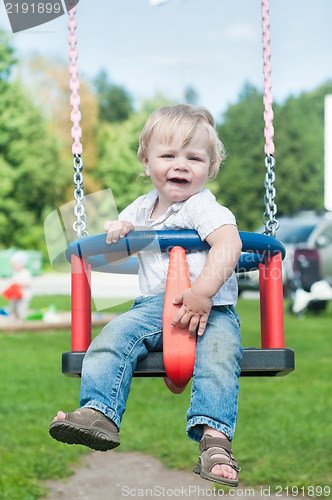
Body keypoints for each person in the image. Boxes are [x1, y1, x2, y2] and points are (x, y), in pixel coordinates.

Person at [49, 104, 243, 487]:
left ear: (211, 166)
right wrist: (119, 227)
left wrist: (202, 293)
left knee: (220, 358)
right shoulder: (140, 207)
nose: (181, 165)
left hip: (211, 308)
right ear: (146, 159)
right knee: (111, 338)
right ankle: (98, 412)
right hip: (155, 306)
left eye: (194, 157)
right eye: (168, 155)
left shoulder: (202, 205)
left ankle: (215, 440)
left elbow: (228, 244)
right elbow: (119, 238)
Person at [2, 251, 32, 321]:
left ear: (22, 264)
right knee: (13, 308)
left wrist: (19, 284)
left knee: (21, 309)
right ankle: (14, 318)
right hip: (15, 296)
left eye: (15, 265)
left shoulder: (26, 273)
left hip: (23, 296)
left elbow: (27, 284)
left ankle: (21, 319)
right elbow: (12, 283)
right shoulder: (15, 273)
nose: (13, 267)